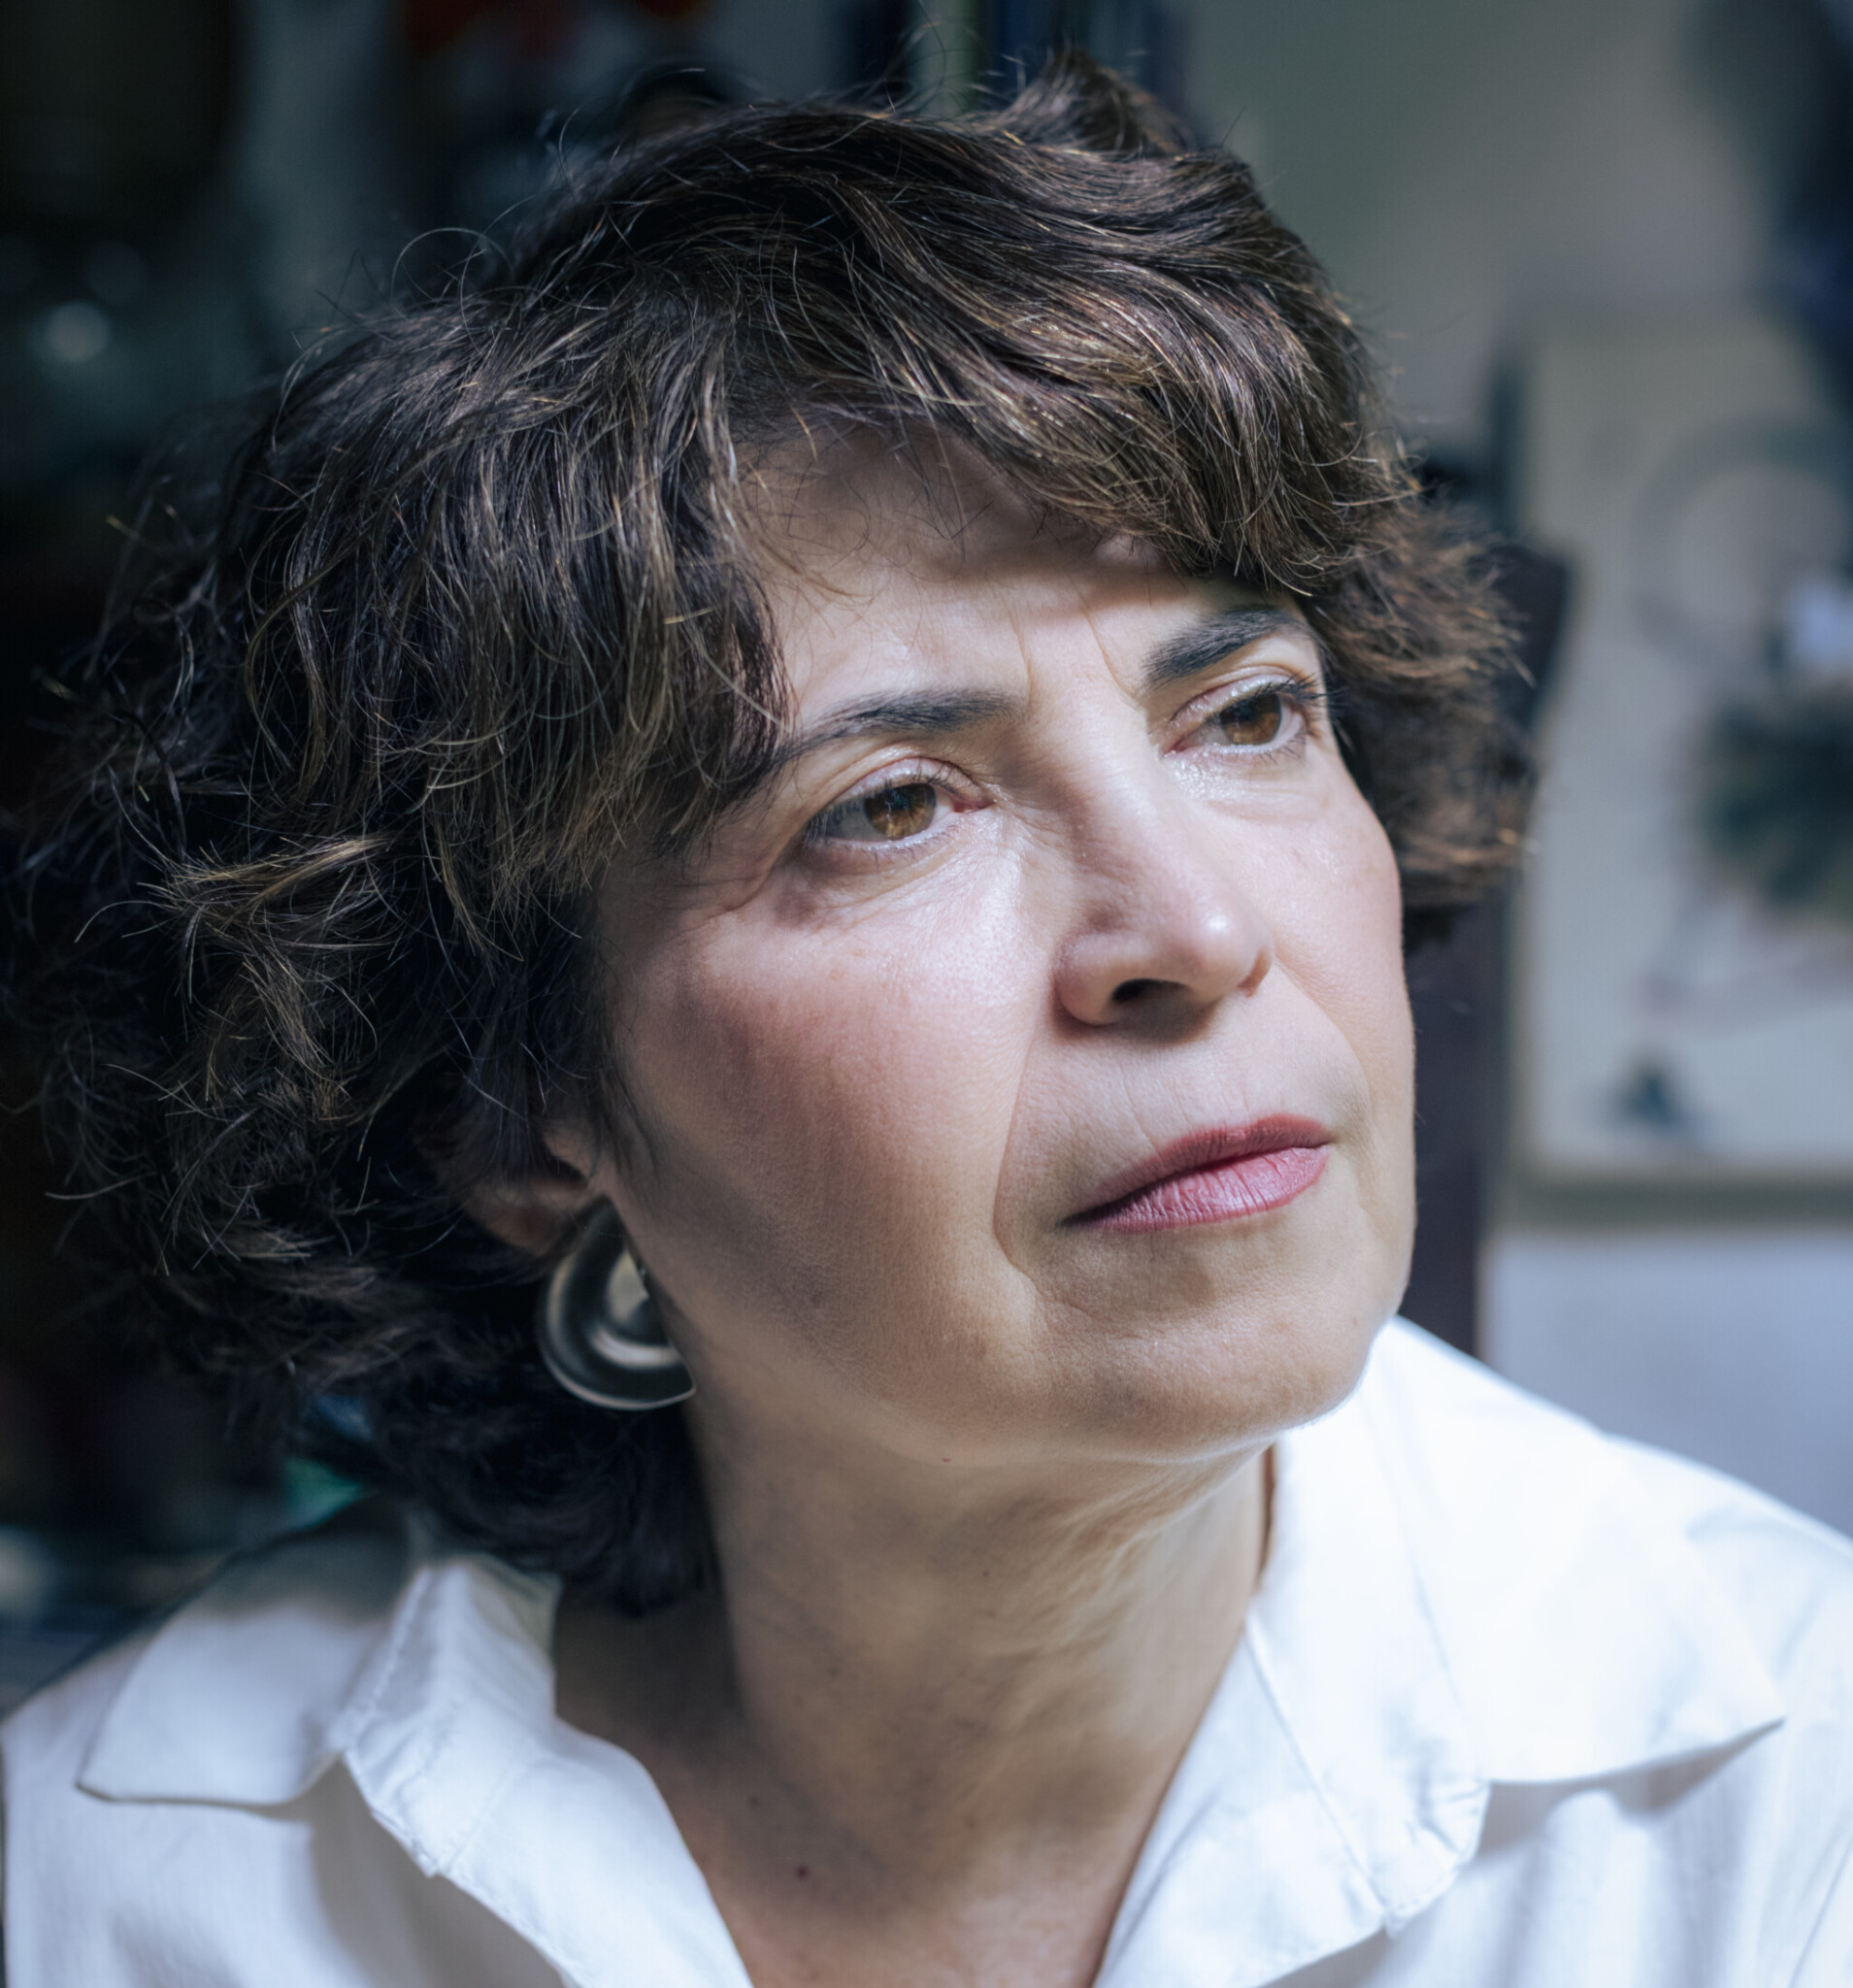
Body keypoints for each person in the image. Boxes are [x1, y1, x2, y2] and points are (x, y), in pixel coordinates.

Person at [3, 54, 1850, 1988]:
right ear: (517, 1119)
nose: (1196, 929)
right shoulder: (108, 1898)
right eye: (889, 807)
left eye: (1246, 716)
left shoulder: (1788, 1815)